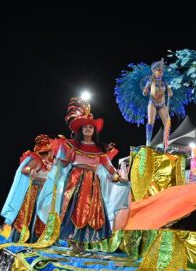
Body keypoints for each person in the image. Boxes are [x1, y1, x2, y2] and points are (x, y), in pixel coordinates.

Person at [36, 98, 129, 253]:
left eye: (90, 128)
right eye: (85, 127)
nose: (88, 129)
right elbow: (64, 164)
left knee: (91, 212)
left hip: (93, 183)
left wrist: (120, 177)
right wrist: (64, 159)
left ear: (94, 130)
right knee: (74, 211)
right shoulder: (72, 145)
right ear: (81, 130)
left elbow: (109, 167)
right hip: (75, 180)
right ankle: (73, 245)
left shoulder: (100, 149)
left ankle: (82, 244)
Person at [0, 134, 55, 242]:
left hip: (46, 194)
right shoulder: (38, 160)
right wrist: (31, 170)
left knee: (43, 218)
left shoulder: (51, 164)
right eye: (48, 152)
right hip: (36, 193)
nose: (51, 154)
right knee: (32, 217)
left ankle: (41, 240)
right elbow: (24, 170)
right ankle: (29, 240)